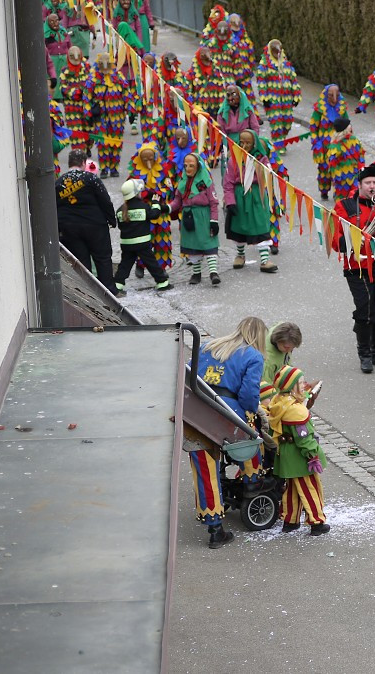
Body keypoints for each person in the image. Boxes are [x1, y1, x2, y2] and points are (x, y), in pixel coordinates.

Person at [188, 317, 269, 548]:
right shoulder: (253, 356)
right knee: (252, 435)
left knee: (204, 470)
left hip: (197, 412)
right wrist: (254, 412)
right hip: (227, 414)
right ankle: (253, 480)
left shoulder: (208, 346)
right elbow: (248, 396)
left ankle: (215, 529)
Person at [334, 163, 375, 373]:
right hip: (357, 267)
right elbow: (335, 237)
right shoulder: (345, 205)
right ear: (360, 185)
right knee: (366, 307)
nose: (372, 186)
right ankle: (364, 354)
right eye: (368, 182)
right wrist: (352, 241)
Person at [268, 365, 330, 534]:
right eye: (301, 383)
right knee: (310, 487)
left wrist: (309, 394)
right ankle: (316, 522)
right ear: (292, 386)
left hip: (286, 454)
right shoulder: (295, 410)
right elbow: (303, 437)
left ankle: (290, 520)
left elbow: (301, 398)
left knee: (292, 489)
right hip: (299, 456)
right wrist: (312, 455)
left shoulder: (279, 401)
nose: (304, 385)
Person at [56, 149, 116, 287]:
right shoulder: (91, 179)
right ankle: (109, 290)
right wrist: (112, 220)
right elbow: (105, 200)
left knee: (81, 263)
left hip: (69, 228)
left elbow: (54, 206)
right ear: (83, 162)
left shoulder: (59, 182)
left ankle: (88, 292)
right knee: (102, 259)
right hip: (95, 225)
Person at [223, 129, 277, 273]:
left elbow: (268, 176)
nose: (245, 145)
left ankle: (265, 260)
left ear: (254, 143)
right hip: (240, 197)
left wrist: (264, 168)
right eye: (242, 142)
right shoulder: (233, 159)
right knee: (240, 226)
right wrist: (230, 201)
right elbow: (228, 183)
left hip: (257, 197)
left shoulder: (261, 159)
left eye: (248, 142)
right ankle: (240, 255)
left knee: (260, 225)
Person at [113, 179, 172, 295]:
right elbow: (154, 215)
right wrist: (155, 203)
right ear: (136, 193)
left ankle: (118, 284)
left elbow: (120, 226)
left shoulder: (120, 210)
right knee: (151, 263)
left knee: (125, 264)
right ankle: (162, 282)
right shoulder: (143, 207)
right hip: (142, 243)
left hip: (126, 244)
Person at [170, 153, 220, 285]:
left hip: (203, 216)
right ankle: (196, 273)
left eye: (191, 166)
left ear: (198, 166)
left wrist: (214, 221)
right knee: (193, 245)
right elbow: (177, 201)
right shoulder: (182, 182)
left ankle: (213, 273)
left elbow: (214, 202)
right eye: (185, 165)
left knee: (208, 243)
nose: (188, 168)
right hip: (189, 217)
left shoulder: (206, 182)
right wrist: (167, 208)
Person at [85, 52, 135, 177]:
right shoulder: (93, 79)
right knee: (102, 143)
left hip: (117, 117)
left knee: (116, 143)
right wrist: (88, 114)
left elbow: (127, 95)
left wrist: (131, 111)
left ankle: (114, 168)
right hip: (100, 117)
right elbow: (87, 97)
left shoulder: (119, 77)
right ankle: (104, 168)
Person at [127, 141, 174, 274]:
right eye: (145, 159)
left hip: (160, 211)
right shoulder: (135, 173)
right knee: (144, 239)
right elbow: (130, 189)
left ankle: (161, 267)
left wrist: (159, 194)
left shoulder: (163, 170)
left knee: (162, 239)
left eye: (151, 158)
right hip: (144, 210)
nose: (148, 161)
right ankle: (141, 264)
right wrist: (146, 193)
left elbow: (169, 187)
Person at [255, 39, 301, 147]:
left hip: (286, 98)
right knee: (276, 121)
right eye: (275, 52)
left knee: (287, 120)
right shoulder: (264, 66)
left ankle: (282, 138)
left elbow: (293, 80)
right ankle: (279, 143)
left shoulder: (286, 64)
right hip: (273, 99)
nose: (278, 54)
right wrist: (265, 98)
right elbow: (261, 82)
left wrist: (296, 96)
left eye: (279, 52)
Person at [309, 84, 349, 200]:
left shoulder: (342, 107)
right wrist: (316, 143)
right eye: (331, 96)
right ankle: (324, 190)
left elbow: (347, 125)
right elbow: (313, 127)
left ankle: (339, 192)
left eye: (336, 95)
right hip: (324, 146)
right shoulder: (319, 109)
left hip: (339, 144)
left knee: (339, 169)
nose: (334, 99)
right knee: (324, 169)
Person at [326, 116, 366, 201]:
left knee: (354, 199)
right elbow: (333, 164)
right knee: (344, 201)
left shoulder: (353, 140)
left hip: (354, 176)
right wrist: (338, 178)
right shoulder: (336, 145)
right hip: (343, 180)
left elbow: (360, 155)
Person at [59, 46, 90, 148]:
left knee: (89, 131)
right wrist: (75, 93)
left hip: (86, 106)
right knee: (76, 134)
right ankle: (79, 156)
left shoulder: (87, 68)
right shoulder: (64, 71)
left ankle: (87, 146)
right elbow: (63, 87)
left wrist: (85, 92)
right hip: (71, 107)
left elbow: (92, 83)